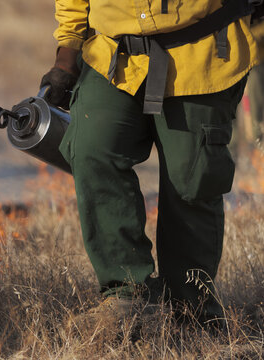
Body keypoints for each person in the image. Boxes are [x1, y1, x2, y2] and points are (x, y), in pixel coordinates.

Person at [41, 0, 258, 328]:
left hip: (203, 53)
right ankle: (125, 294)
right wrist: (66, 54)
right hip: (114, 56)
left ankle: (191, 310)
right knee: (92, 147)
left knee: (193, 178)